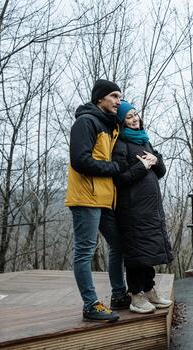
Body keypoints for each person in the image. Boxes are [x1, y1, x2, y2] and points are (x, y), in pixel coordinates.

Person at [65, 80, 132, 322]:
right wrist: (114, 167)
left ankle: (119, 295)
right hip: (86, 197)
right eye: (114, 96)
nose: (118, 101)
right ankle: (90, 304)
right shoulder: (86, 122)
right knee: (84, 251)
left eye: (120, 97)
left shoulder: (109, 125)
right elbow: (80, 161)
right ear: (99, 99)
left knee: (119, 245)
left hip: (104, 198)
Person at [112, 100, 173, 314]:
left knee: (148, 251)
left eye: (135, 114)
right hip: (131, 210)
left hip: (151, 210)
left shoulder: (144, 141)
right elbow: (119, 179)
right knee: (137, 254)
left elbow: (161, 172)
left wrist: (156, 160)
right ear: (121, 122)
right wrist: (142, 166)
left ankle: (149, 289)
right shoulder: (119, 145)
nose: (134, 118)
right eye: (128, 117)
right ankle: (136, 295)